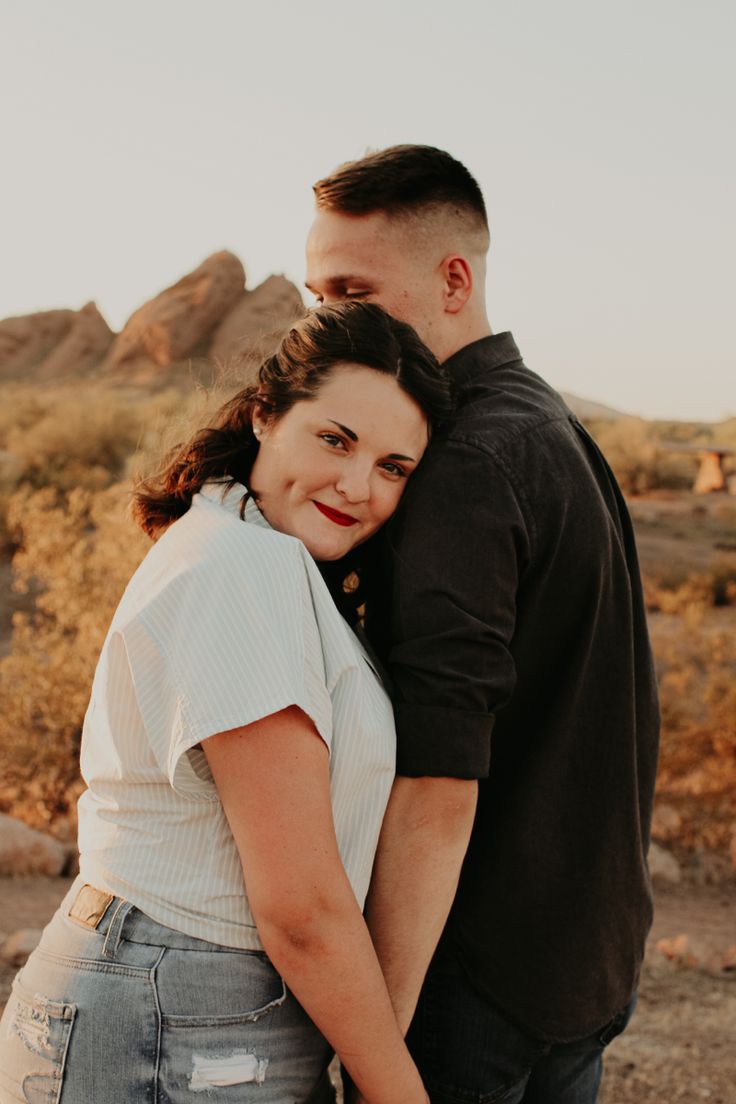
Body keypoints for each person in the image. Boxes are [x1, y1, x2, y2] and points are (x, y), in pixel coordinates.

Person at [0, 301, 453, 1104]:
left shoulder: (242, 542)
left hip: (182, 998)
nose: (358, 486)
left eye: (394, 467)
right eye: (336, 440)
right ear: (265, 415)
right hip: (173, 1003)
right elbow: (301, 907)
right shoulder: (245, 568)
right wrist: (397, 1091)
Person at [305, 145, 660, 1104]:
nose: (330, 318)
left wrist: (374, 1038)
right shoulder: (550, 423)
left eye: (353, 288)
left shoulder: (465, 460)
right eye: (316, 294)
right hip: (584, 955)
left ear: (453, 280)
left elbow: (439, 779)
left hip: (477, 979)